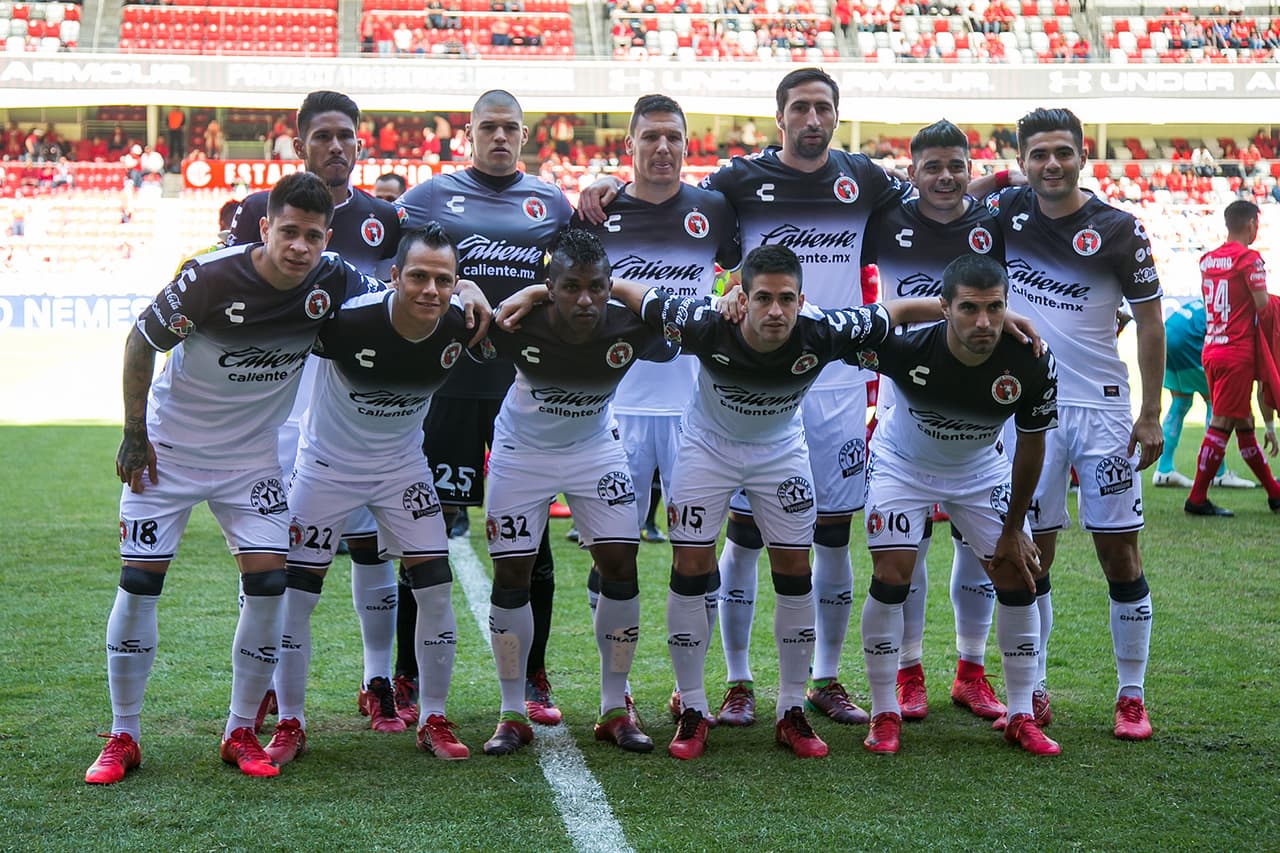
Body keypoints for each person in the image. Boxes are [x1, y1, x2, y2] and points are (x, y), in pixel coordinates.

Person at [605, 245, 1031, 759]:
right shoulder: (702, 321)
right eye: (762, 298)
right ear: (742, 297)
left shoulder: (823, 330)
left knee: (794, 571)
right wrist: (542, 290)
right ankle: (693, 708)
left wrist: (1000, 316)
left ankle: (791, 710)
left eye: (787, 298)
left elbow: (894, 312)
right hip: (706, 450)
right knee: (690, 568)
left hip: (781, 452)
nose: (776, 311)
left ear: (802, 299)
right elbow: (628, 291)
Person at [579, 68, 910, 729]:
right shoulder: (732, 185)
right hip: (720, 388)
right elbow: (662, 229)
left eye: (824, 107)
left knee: (832, 534)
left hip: (832, 373)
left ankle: (823, 678)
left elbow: (937, 193)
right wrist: (599, 184)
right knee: (733, 536)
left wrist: (989, 188)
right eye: (800, 107)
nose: (812, 118)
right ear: (778, 116)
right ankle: (729, 682)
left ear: (837, 115)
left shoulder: (866, 178)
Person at [84, 172, 378, 784]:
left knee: (270, 585)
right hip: (169, 453)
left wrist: (469, 298)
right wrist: (134, 432)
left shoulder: (335, 279)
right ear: (265, 228)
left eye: (314, 236)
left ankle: (239, 730)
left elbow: (392, 301)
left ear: (327, 239)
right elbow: (141, 338)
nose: (300, 247)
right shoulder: (210, 277)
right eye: (289, 232)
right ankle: (124, 735)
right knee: (139, 583)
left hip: (250, 462)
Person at [266, 224, 488, 765]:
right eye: (417, 276)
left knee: (434, 588)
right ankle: (290, 721)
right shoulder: (345, 322)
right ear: (393, 277)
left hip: (402, 470)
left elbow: (523, 320)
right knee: (297, 597)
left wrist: (480, 292)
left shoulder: (462, 324)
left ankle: (433, 716)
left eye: (443, 279)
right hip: (325, 468)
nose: (429, 290)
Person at [227, 91, 409, 733]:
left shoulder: (388, 217)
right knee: (268, 555)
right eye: (324, 136)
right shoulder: (256, 211)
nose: (337, 147)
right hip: (274, 410)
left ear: (361, 145)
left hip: (349, 414)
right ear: (298, 143)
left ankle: (377, 678)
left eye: (347, 137)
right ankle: (272, 684)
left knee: (369, 550)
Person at [394, 90, 574, 725]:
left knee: (534, 542)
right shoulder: (429, 197)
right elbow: (391, 260)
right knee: (424, 536)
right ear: (467, 134)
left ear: (525, 135)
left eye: (510, 129)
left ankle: (534, 673)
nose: (500, 137)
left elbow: (582, 272)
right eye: (488, 128)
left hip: (523, 389)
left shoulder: (551, 202)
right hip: (445, 389)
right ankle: (406, 674)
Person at [987, 107, 1163, 740]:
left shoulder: (1119, 229)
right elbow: (962, 193)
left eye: (1062, 152)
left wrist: (1150, 414)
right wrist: (994, 179)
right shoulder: (1007, 214)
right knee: (1033, 554)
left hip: (1103, 411)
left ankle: (1131, 694)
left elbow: (1148, 322)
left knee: (1120, 551)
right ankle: (1031, 689)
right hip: (1030, 412)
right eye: (1038, 154)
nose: (1052, 164)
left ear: (1083, 155)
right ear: (1023, 160)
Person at [574, 93, 741, 719]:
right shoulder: (597, 213)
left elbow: (752, 269)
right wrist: (596, 187)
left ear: (687, 143)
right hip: (615, 409)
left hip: (697, 411)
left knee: (695, 553)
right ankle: (615, 695)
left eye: (674, 137)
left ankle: (689, 688)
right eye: (650, 138)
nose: (663, 148)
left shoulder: (713, 209)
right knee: (611, 553)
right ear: (630, 147)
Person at [475, 230, 672, 755]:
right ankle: (512, 711)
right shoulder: (520, 324)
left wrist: (618, 289)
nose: (584, 300)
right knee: (512, 574)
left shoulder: (631, 324)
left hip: (595, 449)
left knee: (621, 568)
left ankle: (614, 706)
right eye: (569, 288)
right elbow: (470, 320)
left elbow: (676, 318)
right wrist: (530, 297)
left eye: (595, 287)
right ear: (550, 287)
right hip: (521, 452)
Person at [856, 254, 1059, 756]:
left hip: (978, 469)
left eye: (995, 308)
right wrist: (939, 308)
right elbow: (859, 323)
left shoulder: (1031, 358)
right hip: (901, 464)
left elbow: (1032, 444)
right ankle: (884, 712)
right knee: (893, 576)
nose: (985, 322)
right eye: (969, 309)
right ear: (944, 308)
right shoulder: (904, 346)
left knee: (1016, 575)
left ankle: (1019, 715)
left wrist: (1014, 529)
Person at [862, 119, 1008, 723]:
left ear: (970, 169)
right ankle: (909, 671)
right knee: (908, 546)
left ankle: (971, 671)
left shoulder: (995, 221)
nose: (945, 177)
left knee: (978, 546)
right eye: (932, 167)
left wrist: (1013, 173)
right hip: (905, 397)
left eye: (956, 165)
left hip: (977, 401)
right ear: (910, 171)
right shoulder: (886, 218)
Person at [1184, 199, 1280, 516]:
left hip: (1212, 347)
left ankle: (1274, 493)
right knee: (1222, 421)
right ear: (1252, 223)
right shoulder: (1249, 260)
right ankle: (1196, 498)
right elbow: (1263, 304)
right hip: (1236, 351)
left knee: (1243, 422)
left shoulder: (1207, 260)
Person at [1154, 297, 1254, 490]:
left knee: (1181, 403)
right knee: (1216, 403)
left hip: (1168, 336)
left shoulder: (1211, 300)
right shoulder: (1234, 308)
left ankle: (1164, 470)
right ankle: (1218, 473)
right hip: (1188, 341)